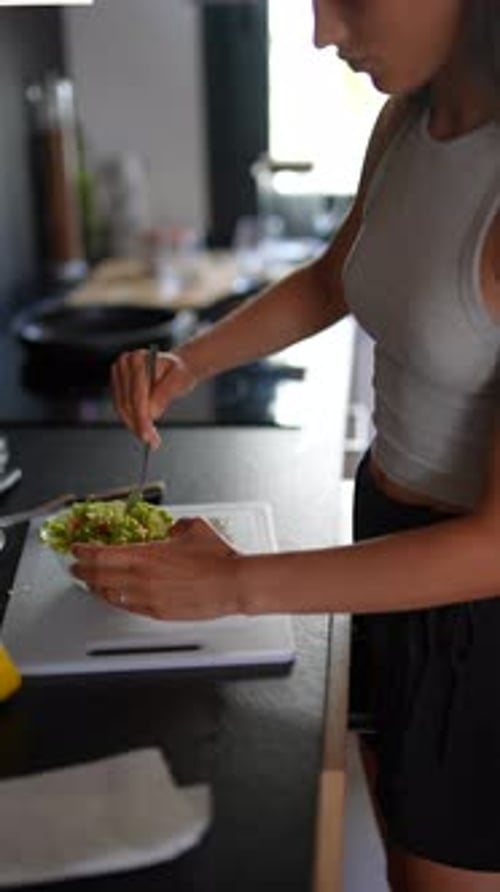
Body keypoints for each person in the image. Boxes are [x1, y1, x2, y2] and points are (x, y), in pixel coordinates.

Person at [73, 1, 500, 888]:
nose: (321, 31)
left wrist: (236, 585)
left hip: (474, 611)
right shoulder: (408, 122)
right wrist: (188, 364)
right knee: (397, 842)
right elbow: (335, 276)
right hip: (384, 537)